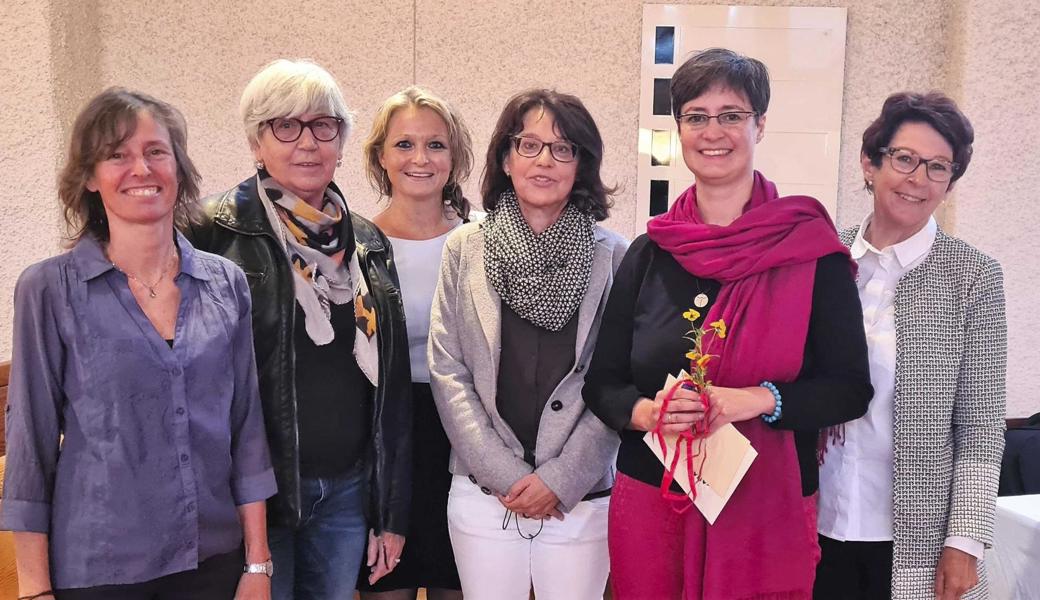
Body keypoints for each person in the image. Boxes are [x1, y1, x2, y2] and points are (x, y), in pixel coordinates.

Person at [582, 48, 873, 599]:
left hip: (766, 507)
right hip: (656, 496)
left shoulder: (812, 251)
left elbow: (849, 391)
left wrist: (758, 400)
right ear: (679, 129)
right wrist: (648, 413)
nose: (713, 131)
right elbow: (604, 384)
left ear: (760, 123)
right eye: (696, 116)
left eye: (732, 114)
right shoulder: (649, 253)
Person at [0, 88, 275, 599]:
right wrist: (33, 588)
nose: (140, 169)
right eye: (116, 155)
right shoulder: (48, 289)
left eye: (155, 152)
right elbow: (30, 448)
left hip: (212, 560)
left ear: (179, 168)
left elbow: (246, 429)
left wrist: (257, 565)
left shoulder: (226, 282)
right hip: (100, 567)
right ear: (88, 177)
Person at [184, 59, 411, 599]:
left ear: (340, 140)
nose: (306, 142)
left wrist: (389, 510)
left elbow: (391, 387)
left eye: (323, 125)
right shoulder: (208, 231)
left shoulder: (366, 242)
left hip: (348, 492)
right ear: (256, 143)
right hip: (256, 499)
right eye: (285, 126)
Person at [428, 89, 627, 600]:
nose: (545, 161)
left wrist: (561, 479)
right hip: (483, 492)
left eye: (564, 149)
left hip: (580, 493)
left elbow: (618, 382)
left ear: (581, 164)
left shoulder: (615, 257)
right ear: (505, 157)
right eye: (530, 144)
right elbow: (449, 371)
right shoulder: (463, 248)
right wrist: (505, 475)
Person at [815, 91, 1007, 600]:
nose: (918, 179)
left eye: (938, 167)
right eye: (904, 159)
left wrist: (965, 540)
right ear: (870, 163)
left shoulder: (973, 277)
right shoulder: (822, 258)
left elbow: (981, 425)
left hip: (914, 538)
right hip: (812, 519)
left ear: (950, 182)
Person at [356, 86, 472, 600]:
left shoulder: (481, 241)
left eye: (436, 145)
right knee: (388, 586)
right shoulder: (353, 246)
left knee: (458, 584)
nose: (420, 159)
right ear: (381, 156)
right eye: (404, 145)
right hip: (384, 442)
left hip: (465, 438)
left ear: (455, 157)